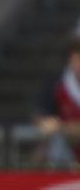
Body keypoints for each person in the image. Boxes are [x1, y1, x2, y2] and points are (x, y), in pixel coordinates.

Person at [34, 37, 80, 166]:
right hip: (65, 151)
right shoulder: (57, 84)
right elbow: (41, 114)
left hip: (67, 133)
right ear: (70, 61)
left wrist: (63, 128)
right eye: (77, 60)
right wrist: (43, 121)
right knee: (44, 147)